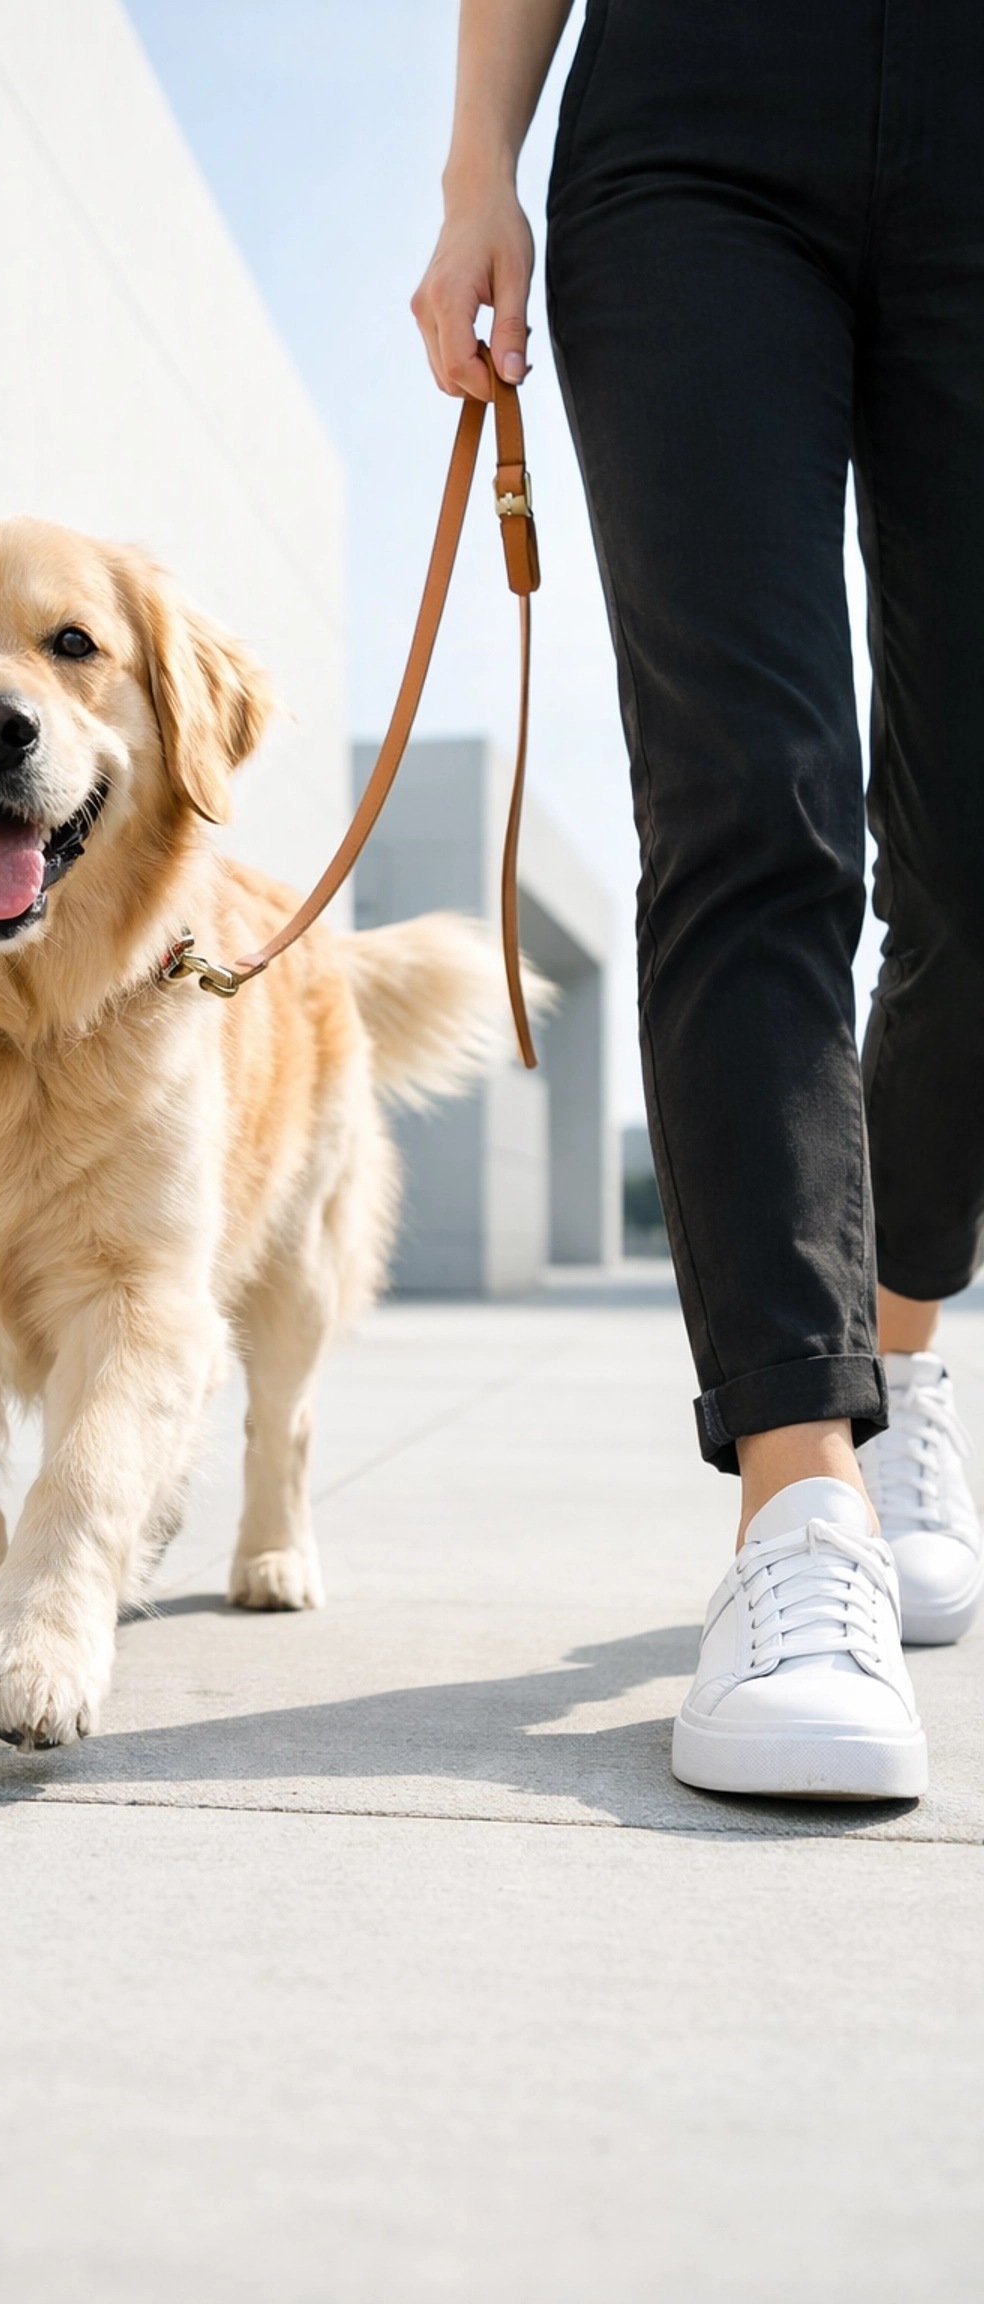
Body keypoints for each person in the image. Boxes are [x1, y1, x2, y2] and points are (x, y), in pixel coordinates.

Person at [414, 0, 984, 1799]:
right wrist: (476, 166)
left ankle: (902, 1348)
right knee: (755, 797)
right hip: (699, 123)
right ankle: (799, 1495)